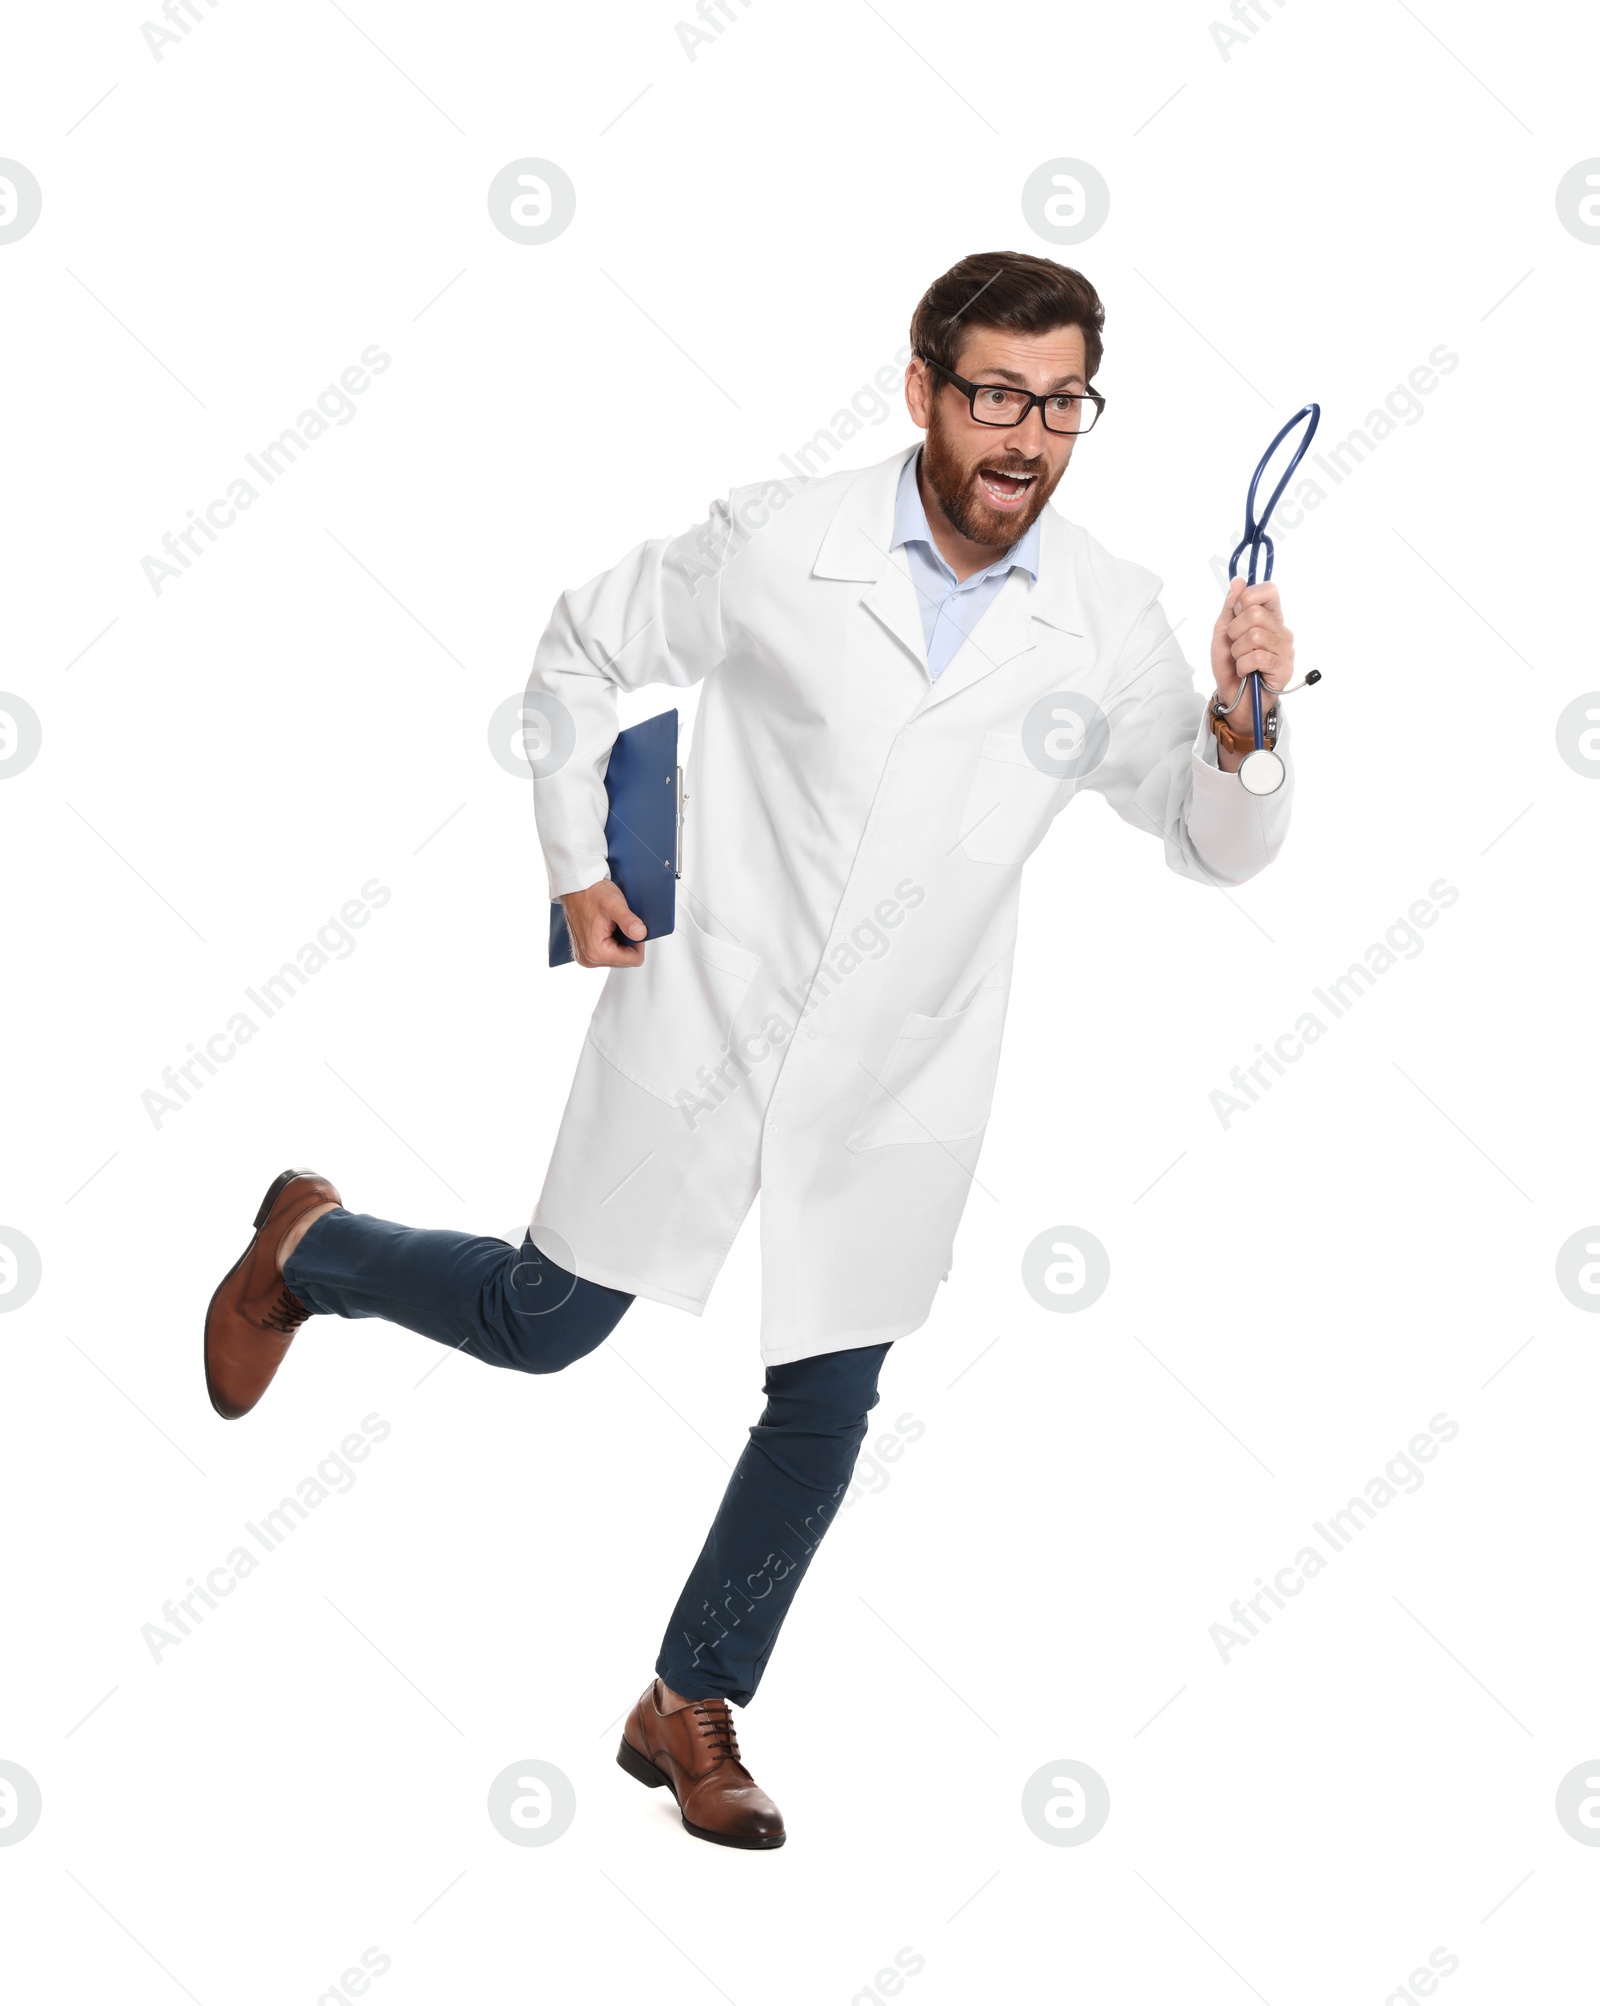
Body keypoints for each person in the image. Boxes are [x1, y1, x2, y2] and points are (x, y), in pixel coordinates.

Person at [204, 249, 1300, 1851]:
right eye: (995, 393)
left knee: (827, 1393)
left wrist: (1243, 722)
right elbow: (583, 645)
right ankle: (311, 1247)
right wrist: (578, 862)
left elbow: (1212, 851)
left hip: (899, 1074)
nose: (1026, 437)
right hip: (709, 1012)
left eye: (1062, 402)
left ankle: (690, 1697)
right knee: (542, 1321)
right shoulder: (783, 542)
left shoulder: (1110, 618)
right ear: (922, 389)